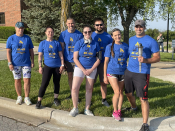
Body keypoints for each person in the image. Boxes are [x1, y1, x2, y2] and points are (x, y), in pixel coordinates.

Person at [124, 20, 160, 131]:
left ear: (144, 28)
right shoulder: (131, 39)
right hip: (129, 71)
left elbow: (157, 57)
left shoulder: (151, 41)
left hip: (142, 73)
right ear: (134, 28)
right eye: (137, 26)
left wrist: (145, 60)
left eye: (141, 27)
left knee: (143, 98)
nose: (138, 28)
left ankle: (145, 124)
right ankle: (134, 107)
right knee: (128, 94)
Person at [69, 25, 101, 117]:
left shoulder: (95, 44)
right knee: (75, 88)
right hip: (80, 68)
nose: (87, 34)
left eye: (89, 32)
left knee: (89, 89)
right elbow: (75, 58)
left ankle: (87, 109)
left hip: (92, 68)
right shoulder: (79, 43)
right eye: (85, 32)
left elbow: (98, 59)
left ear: (91, 33)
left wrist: (91, 69)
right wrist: (83, 70)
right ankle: (75, 108)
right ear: (83, 33)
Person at [35, 26, 64, 109]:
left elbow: (61, 54)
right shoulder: (42, 43)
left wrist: (62, 65)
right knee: (44, 83)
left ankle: (56, 99)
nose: (50, 33)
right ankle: (39, 101)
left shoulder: (57, 43)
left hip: (57, 66)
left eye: (51, 32)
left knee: (56, 83)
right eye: (48, 32)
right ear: (45, 33)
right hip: (47, 66)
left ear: (53, 33)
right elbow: (40, 55)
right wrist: (40, 66)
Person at [6, 22, 34, 105]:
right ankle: (19, 97)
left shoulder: (27, 38)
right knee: (17, 80)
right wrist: (9, 63)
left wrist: (32, 61)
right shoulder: (11, 38)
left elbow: (31, 51)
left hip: (26, 63)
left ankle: (26, 97)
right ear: (15, 28)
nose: (20, 29)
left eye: (22, 28)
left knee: (27, 80)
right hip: (15, 63)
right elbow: (8, 52)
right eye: (19, 28)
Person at [104, 28, 128, 121]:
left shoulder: (125, 46)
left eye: (119, 34)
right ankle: (114, 112)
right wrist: (105, 75)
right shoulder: (109, 47)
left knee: (121, 92)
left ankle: (119, 110)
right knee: (117, 92)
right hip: (112, 71)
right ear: (112, 37)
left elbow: (131, 57)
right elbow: (106, 62)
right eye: (116, 35)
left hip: (123, 72)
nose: (118, 36)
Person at [58, 18, 83, 100]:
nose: (70, 25)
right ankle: (72, 93)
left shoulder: (79, 34)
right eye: (69, 23)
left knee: (77, 78)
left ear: (74, 23)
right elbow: (61, 48)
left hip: (77, 60)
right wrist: (62, 61)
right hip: (67, 59)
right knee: (70, 76)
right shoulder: (63, 34)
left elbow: (81, 48)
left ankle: (77, 95)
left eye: (72, 23)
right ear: (66, 24)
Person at [91, 18, 113, 107]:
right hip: (92, 63)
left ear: (103, 25)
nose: (99, 26)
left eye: (101, 25)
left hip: (104, 63)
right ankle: (89, 99)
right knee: (90, 82)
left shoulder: (108, 37)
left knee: (103, 82)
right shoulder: (90, 35)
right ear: (94, 26)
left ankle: (104, 99)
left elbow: (112, 49)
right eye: (97, 25)